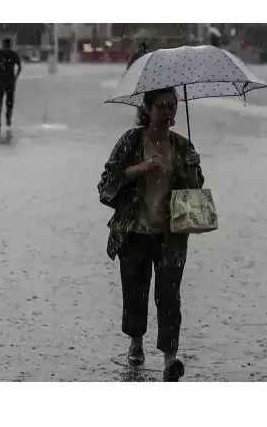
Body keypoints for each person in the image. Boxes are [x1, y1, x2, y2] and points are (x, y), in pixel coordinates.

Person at [97, 87, 204, 382]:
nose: (168, 112)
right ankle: (136, 341)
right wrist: (142, 168)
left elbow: (195, 189)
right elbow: (106, 183)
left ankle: (170, 357)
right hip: (133, 232)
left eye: (172, 106)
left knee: (169, 296)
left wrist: (192, 167)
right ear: (147, 109)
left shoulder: (183, 146)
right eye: (161, 106)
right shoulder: (131, 141)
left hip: (171, 235)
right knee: (135, 291)